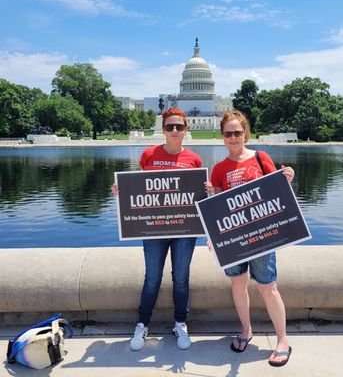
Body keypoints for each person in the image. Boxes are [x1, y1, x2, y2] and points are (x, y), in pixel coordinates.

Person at [208, 110, 295, 367]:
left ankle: (282, 340)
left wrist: (288, 179)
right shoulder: (219, 169)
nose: (233, 137)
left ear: (245, 132)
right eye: (228, 134)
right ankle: (246, 329)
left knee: (268, 286)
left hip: (262, 234)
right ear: (222, 137)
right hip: (234, 238)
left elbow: (277, 190)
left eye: (237, 132)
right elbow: (218, 207)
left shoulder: (260, 157)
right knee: (238, 283)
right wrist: (214, 236)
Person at [113, 107, 202, 351]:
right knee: (152, 278)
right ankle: (142, 324)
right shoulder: (148, 155)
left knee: (181, 278)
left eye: (179, 126)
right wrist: (123, 191)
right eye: (170, 126)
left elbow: (195, 195)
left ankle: (180, 323)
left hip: (184, 230)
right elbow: (141, 189)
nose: (174, 131)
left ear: (186, 129)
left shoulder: (193, 159)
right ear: (163, 129)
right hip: (154, 229)